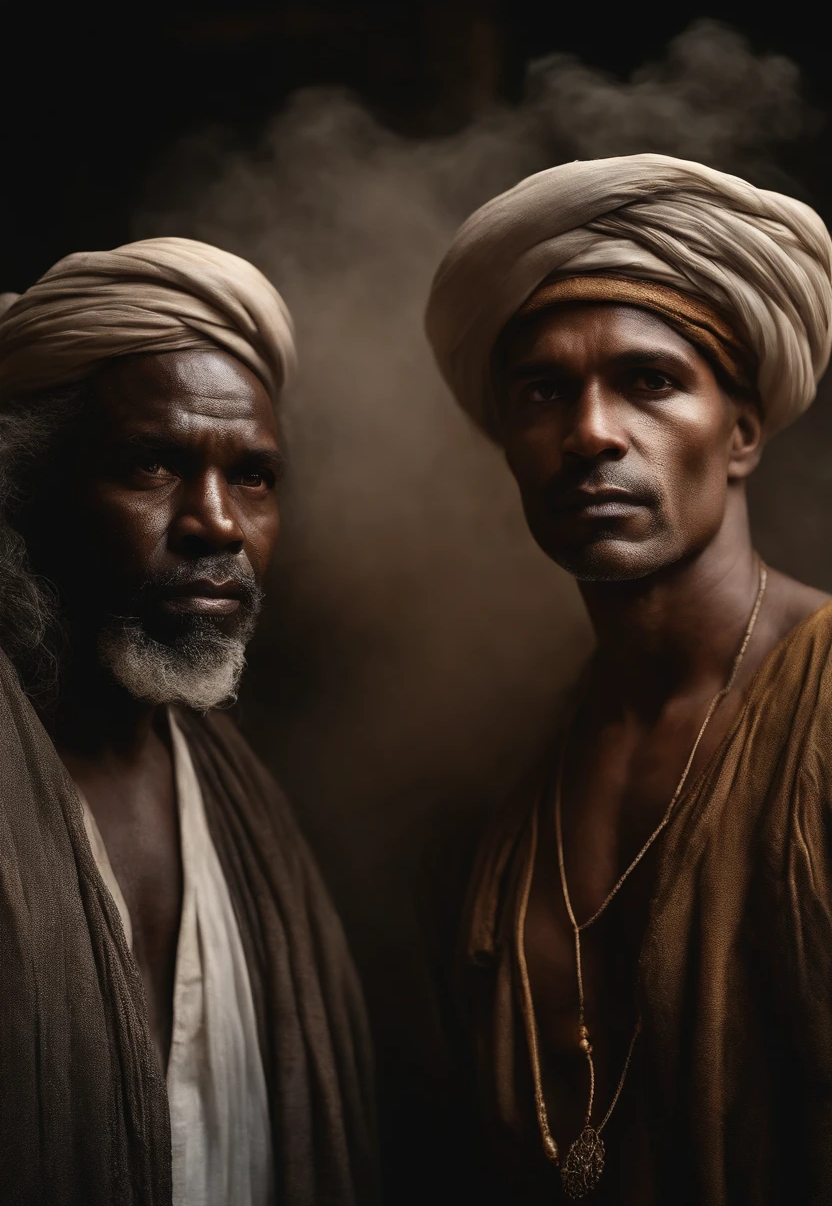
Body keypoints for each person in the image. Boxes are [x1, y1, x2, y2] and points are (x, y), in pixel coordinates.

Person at [423, 154, 832, 1204]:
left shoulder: (820, 700)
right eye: (544, 392)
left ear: (741, 431)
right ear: (510, 439)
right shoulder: (528, 781)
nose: (591, 433)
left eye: (648, 381)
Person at [0, 239, 377, 1206]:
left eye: (253, 476)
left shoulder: (248, 812)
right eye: (152, 464)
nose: (217, 521)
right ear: (31, 483)